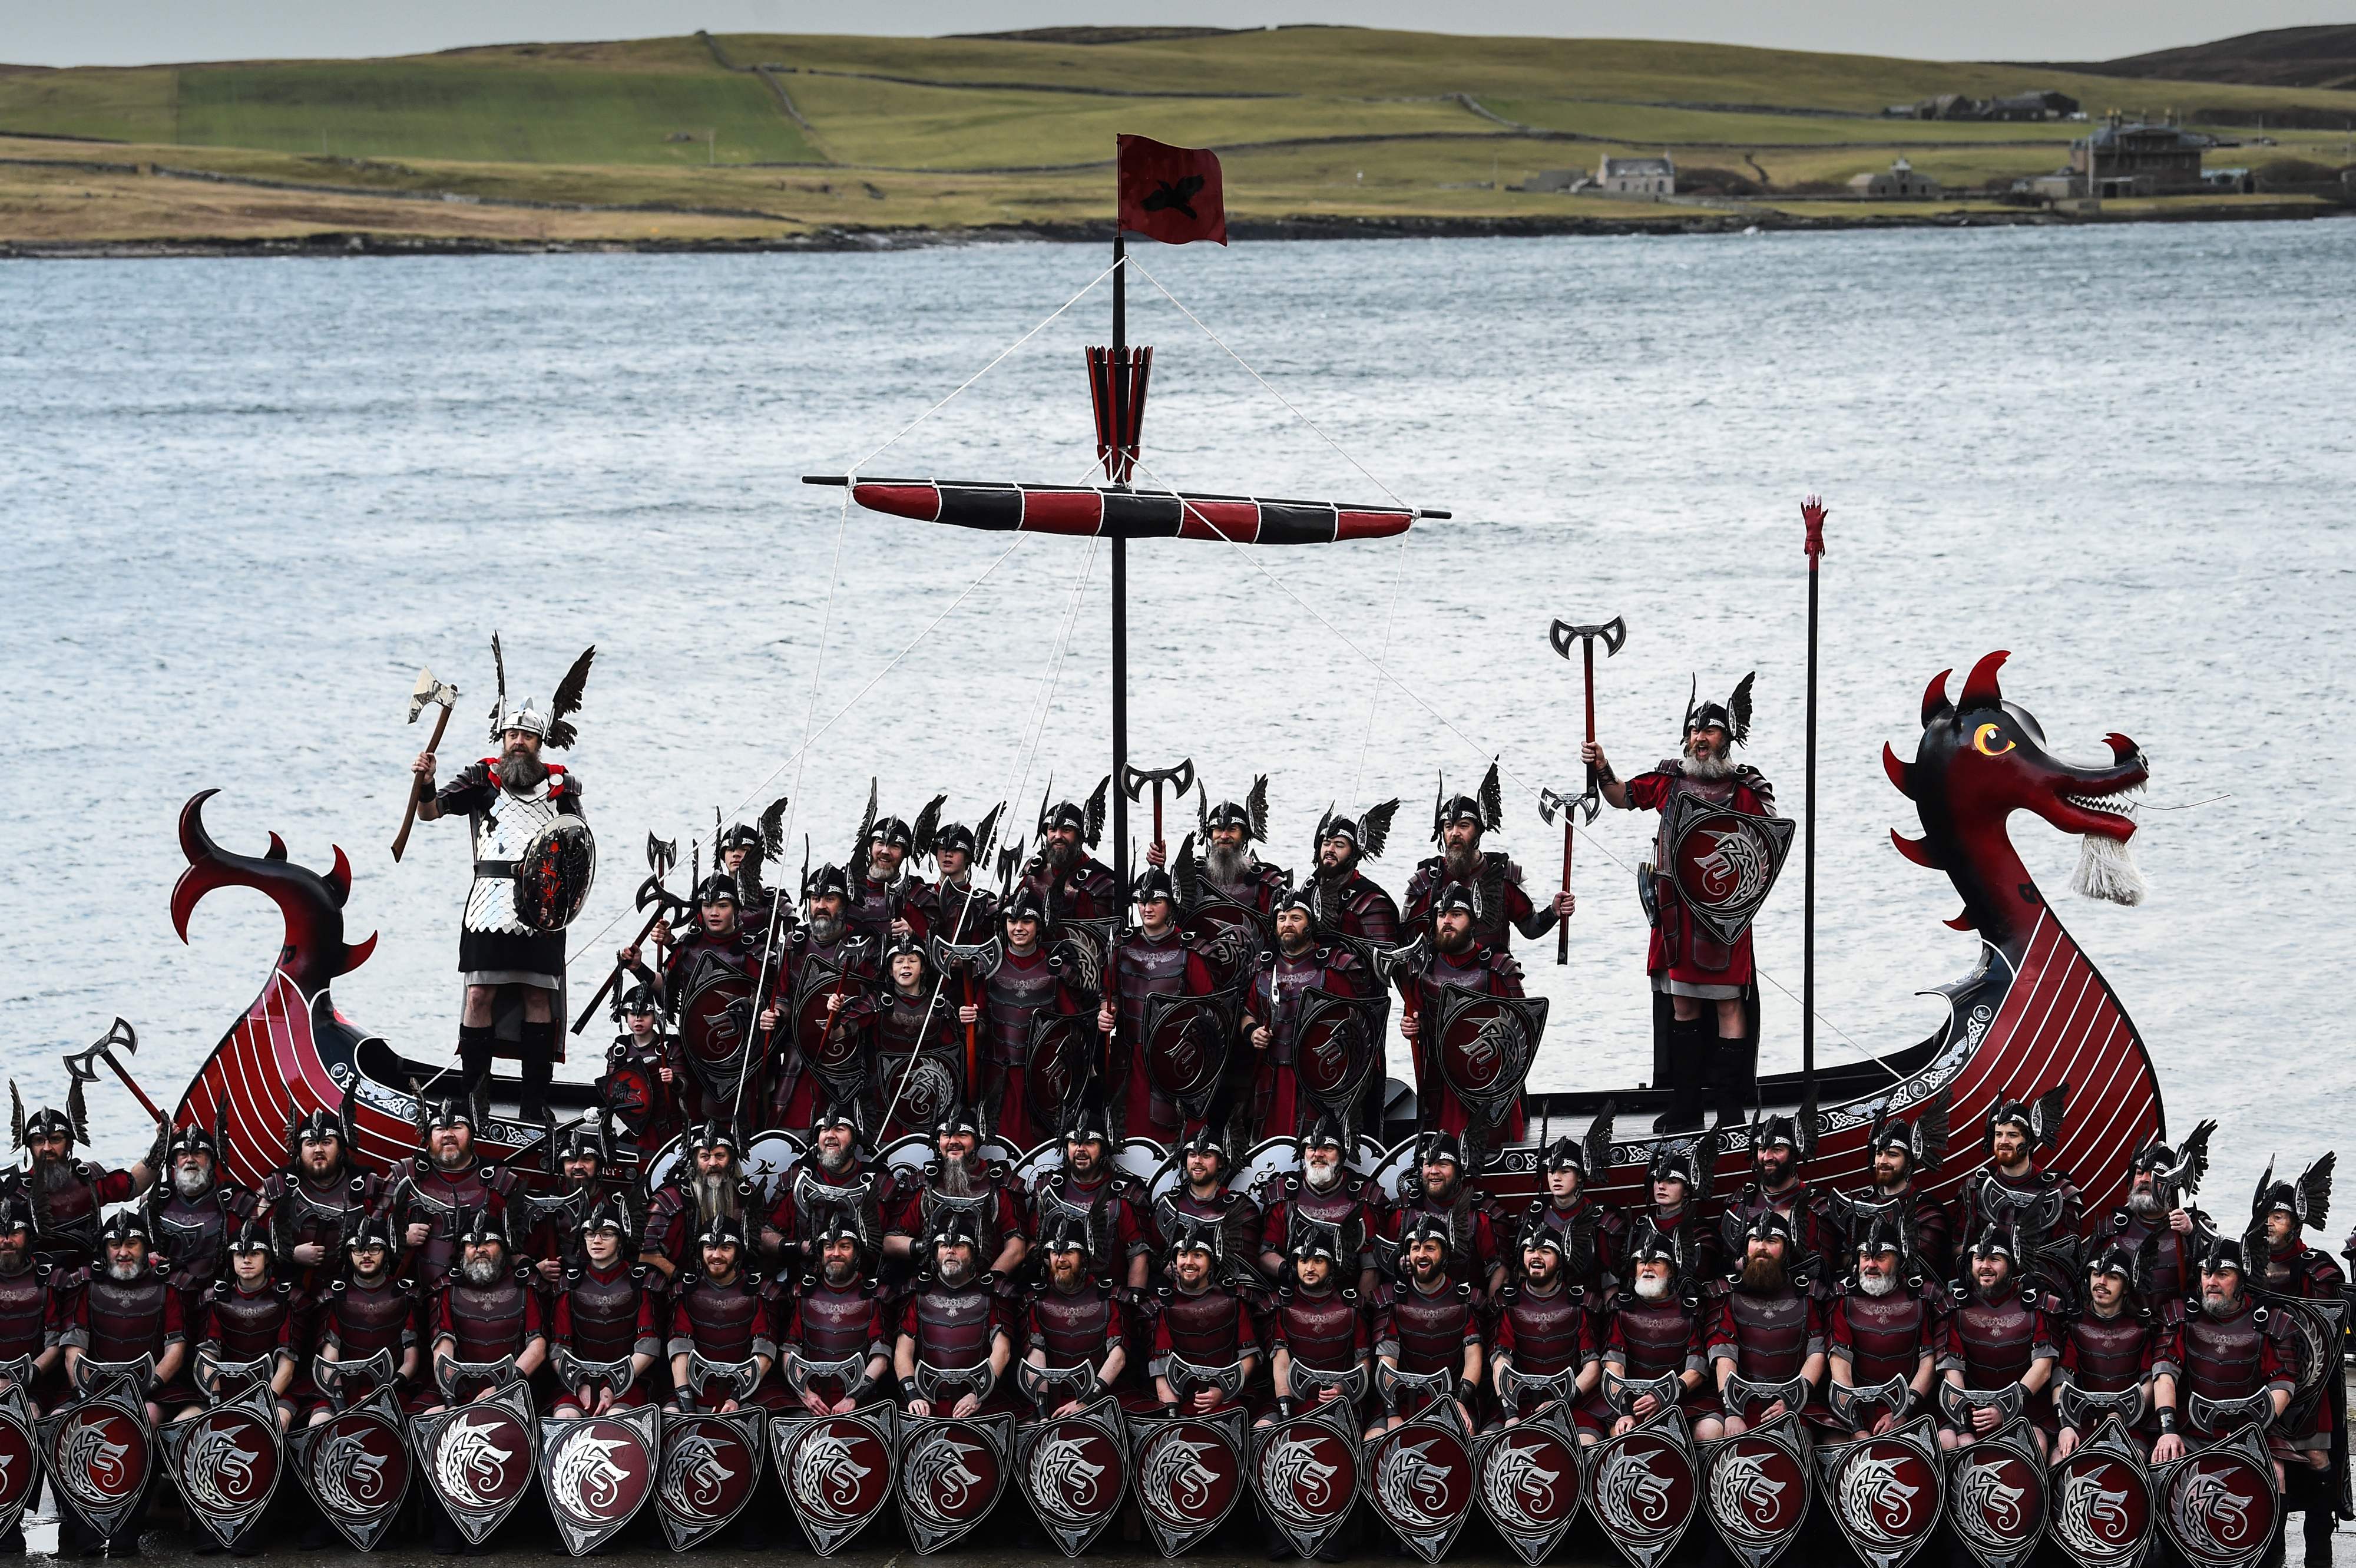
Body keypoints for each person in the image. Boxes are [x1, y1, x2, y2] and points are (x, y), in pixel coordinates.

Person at [410, 644, 595, 1119]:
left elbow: (579, 852)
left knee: (538, 997)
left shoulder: (562, 790)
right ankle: (475, 1100)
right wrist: (426, 780)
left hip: (543, 908)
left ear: (540, 743)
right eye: (512, 733)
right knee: (479, 994)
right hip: (488, 905)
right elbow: (428, 813)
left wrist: (564, 900)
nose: (518, 741)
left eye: (527, 737)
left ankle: (534, 1105)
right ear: (502, 736)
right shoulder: (481, 780)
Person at [1585, 680, 1773, 1129]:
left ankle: (1729, 1108)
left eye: (1709, 732)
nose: (1699, 739)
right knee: (1682, 1004)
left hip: (1723, 917)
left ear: (1726, 738)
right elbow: (1620, 797)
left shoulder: (1745, 787)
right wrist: (1603, 766)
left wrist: (1736, 897)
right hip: (1675, 915)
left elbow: (1769, 845)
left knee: (1730, 1004)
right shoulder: (1669, 780)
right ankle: (1686, 1107)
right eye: (1693, 731)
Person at [57, 1208, 189, 1556]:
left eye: (131, 1244)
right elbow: (74, 1347)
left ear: (145, 1249)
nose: (123, 1252)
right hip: (94, 1387)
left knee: (144, 1420)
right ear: (104, 1251)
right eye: (115, 1245)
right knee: (58, 1424)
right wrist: (81, 1390)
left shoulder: (168, 1289)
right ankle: (79, 1529)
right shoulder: (88, 1289)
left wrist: (150, 1386)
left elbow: (175, 1349)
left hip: (152, 1391)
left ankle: (128, 1529)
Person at [2245, 1154, 2345, 1566]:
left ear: (2296, 1222)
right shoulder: (2246, 1263)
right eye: (2267, 1214)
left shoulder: (2317, 1267)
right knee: (2271, 1465)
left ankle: (2319, 1553)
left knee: (2319, 1460)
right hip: (2260, 1381)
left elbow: (2328, 1322)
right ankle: (2273, 1556)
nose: (2271, 1222)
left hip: (2311, 1384)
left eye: (2281, 1216)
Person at [1392, 881, 1534, 1144]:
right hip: (1440, 1083)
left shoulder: (1497, 966)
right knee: (1442, 1151)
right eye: (1442, 915)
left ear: (1473, 918)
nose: (1447, 921)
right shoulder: (1423, 969)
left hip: (1489, 1084)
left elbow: (1523, 1025)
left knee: (1492, 1153)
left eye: (1456, 915)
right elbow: (1417, 1016)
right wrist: (1412, 1027)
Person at [623, 875, 767, 1127]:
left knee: (739, 1123)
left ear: (736, 908)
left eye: (722, 905)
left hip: (739, 1059)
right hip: (693, 1053)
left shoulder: (752, 951)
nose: (714, 913)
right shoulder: (688, 948)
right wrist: (638, 968)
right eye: (707, 905)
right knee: (695, 1122)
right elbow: (667, 993)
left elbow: (767, 1001)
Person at [1241, 888, 1378, 1142]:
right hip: (1271, 1079)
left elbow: (1360, 1025)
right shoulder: (1262, 967)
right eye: (1282, 918)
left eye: (1295, 918)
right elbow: (1248, 1013)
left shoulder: (1335, 968)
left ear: (1310, 922)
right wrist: (1252, 1033)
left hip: (1319, 1079)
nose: (1287, 924)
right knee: (1267, 1147)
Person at [1101, 867, 1223, 1143]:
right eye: (1142, 902)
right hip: (1129, 1060)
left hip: (1174, 1062)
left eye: (1156, 901)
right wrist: (1105, 1014)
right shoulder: (1120, 947)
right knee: (1127, 1139)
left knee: (1174, 1138)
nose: (1147, 908)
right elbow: (1109, 995)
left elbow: (1210, 1012)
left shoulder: (1190, 952)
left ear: (1170, 904)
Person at [1402, 764, 1573, 958]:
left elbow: (1530, 929)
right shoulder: (1428, 880)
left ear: (1478, 831)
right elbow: (1407, 944)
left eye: (1464, 826)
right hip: (1440, 982)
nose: (1455, 833)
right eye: (1449, 826)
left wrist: (1553, 912)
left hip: (1490, 978)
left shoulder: (1502, 875)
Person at [970, 885, 1084, 1152]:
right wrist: (973, 1024)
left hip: (1042, 1082)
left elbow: (1073, 1028)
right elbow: (981, 1025)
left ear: (1039, 924)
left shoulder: (1057, 970)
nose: (1018, 927)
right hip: (998, 1078)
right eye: (1012, 920)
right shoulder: (989, 968)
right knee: (996, 1150)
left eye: (1026, 921)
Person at [4, 1076, 155, 1266]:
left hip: (89, 1277)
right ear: (29, 1146)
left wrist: (162, 1142)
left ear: (69, 1144)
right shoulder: (13, 1191)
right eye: (39, 1141)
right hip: (37, 1282)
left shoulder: (88, 1179)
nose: (47, 1148)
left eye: (55, 1139)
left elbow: (135, 1184)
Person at [1937, 1226, 2060, 1457]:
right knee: (1949, 1444)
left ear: (2012, 1263)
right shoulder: (1954, 1306)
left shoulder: (2039, 1305)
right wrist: (1964, 1424)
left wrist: (2005, 1408)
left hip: (2026, 1409)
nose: (1985, 1266)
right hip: (1970, 1410)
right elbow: (1952, 1369)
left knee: (2034, 1444)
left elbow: (2043, 1369)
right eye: (1979, 1258)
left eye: (1995, 1259)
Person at [772, 865, 878, 1131]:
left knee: (846, 1129)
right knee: (789, 1127)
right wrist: (775, 1014)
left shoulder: (863, 944)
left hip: (848, 1055)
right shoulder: (793, 944)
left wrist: (848, 1021)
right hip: (799, 1053)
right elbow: (783, 995)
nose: (820, 906)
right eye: (815, 899)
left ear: (843, 904)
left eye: (829, 899)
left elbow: (879, 997)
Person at [1702, 1210, 1824, 1440]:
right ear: (1746, 1247)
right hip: (1737, 1399)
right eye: (1755, 1240)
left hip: (1793, 1401)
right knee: (1707, 1432)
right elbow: (1724, 1352)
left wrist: (1792, 1401)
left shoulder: (1807, 1294)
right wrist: (1732, 1411)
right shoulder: (1727, 1293)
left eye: (1771, 1241)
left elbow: (1817, 1353)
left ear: (1786, 1249)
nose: (1762, 1247)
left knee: (1798, 1440)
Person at [1259, 1222, 1374, 1457]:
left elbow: (1363, 1361)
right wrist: (1285, 1410)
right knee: (1261, 1433)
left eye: (1318, 1261)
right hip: (1291, 1400)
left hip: (1344, 1400)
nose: (1309, 1268)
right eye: (1303, 1261)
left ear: (1332, 1265)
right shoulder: (1281, 1306)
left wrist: (1343, 1389)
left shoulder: (1352, 1307)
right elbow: (1280, 1362)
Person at [1823, 1213, 1943, 1440]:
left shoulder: (1922, 1298)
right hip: (1855, 1410)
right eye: (1866, 1257)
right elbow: (1840, 1367)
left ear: (1898, 1260)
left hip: (1912, 1408)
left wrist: (1903, 1414)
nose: (1871, 1265)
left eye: (1881, 1257)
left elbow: (1928, 1362)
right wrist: (1856, 1426)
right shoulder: (1842, 1298)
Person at [1951, 1091, 2082, 1298]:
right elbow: (1959, 1245)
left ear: (2029, 1142)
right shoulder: (1976, 1187)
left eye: (2012, 1135)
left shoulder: (2058, 1191)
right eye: (1998, 1134)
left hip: (2039, 1299)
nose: (2003, 1141)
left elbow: (2066, 1258)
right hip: (1984, 1294)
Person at [2052, 1235, 2169, 1460]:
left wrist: (2121, 1414)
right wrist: (2066, 1425)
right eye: (2096, 1274)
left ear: (2126, 1287)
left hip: (2130, 1425)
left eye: (2112, 1277)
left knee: (2132, 1463)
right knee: (2060, 1461)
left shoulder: (2143, 1328)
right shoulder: (2075, 1324)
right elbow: (2062, 1377)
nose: (2101, 1282)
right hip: (2082, 1422)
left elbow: (2149, 1381)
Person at [389, 1090, 518, 1291]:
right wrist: (399, 1236)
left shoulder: (499, 1181)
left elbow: (518, 1241)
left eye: (457, 1127)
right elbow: (369, 1231)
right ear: (429, 1139)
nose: (448, 1134)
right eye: (440, 1128)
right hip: (416, 1292)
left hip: (483, 1295)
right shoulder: (407, 1175)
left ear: (472, 1135)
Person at [1591, 1223, 1714, 1437]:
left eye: (1656, 1262)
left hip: (1681, 1400)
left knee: (1708, 1430)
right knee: (1621, 1433)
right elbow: (1614, 1368)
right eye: (1641, 1262)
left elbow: (1697, 1368)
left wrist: (1663, 1395)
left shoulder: (1690, 1310)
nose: (1647, 1268)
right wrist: (1625, 1411)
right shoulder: (1621, 1309)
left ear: (1671, 1269)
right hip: (1631, 1403)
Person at [884, 1102, 1029, 1282]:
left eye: (963, 1135)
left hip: (987, 1287)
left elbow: (1016, 1248)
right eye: (946, 1135)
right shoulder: (923, 1183)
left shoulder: (1001, 1184)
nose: (953, 1141)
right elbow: (890, 1241)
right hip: (929, 1287)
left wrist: (989, 1283)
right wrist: (924, 1247)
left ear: (977, 1140)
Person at [257, 1097, 385, 1295]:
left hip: (352, 1295)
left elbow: (388, 1236)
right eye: (310, 1143)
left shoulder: (367, 1187)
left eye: (326, 1142)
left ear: (341, 1148)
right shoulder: (279, 1188)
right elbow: (249, 1241)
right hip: (291, 1294)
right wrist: (290, 1254)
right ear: (299, 1151)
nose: (318, 1149)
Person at [546, 1198, 661, 1417]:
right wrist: (580, 1386)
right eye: (590, 1234)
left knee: (614, 1420)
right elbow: (559, 1347)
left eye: (606, 1234)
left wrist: (612, 1387)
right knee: (564, 1418)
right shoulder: (570, 1284)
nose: (596, 1240)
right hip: (579, 1383)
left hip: (628, 1383)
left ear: (621, 1240)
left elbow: (648, 1345)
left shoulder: (641, 1281)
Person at [1030, 1091, 1154, 1291]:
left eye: (1089, 1143)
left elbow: (1138, 1256)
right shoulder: (1049, 1189)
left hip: (1108, 1300)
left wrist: (1133, 1301)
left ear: (1103, 1148)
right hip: (1056, 1298)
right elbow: (1033, 1246)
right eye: (1074, 1143)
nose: (1080, 1149)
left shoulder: (1124, 1195)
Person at [1258, 1113, 1389, 1299]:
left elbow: (1372, 1267)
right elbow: (1265, 1253)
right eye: (1312, 1148)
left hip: (1346, 1302)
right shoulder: (1284, 1194)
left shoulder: (1364, 1197)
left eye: (1327, 1148)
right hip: (1292, 1300)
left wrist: (1357, 1310)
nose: (1318, 1154)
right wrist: (1297, 1274)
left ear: (1342, 1155)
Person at [1824, 1094, 1953, 1282]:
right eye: (1879, 1154)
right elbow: (1844, 1253)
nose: (1883, 1162)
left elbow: (1921, 1270)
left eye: (1892, 1155)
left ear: (1909, 1161)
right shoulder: (1862, 1203)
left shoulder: (1927, 1213)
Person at [895, 1216, 1014, 1418]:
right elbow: (902, 1352)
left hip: (979, 1402)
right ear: (935, 1253)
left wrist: (977, 1394)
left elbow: (1003, 1351)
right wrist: (913, 1395)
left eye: (959, 1245)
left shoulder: (993, 1293)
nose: (950, 1251)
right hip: (925, 1401)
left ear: (973, 1253)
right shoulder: (917, 1292)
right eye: (943, 1245)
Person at [425, 1210, 546, 1409]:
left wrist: (501, 1389)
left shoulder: (527, 1285)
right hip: (458, 1388)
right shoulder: (447, 1287)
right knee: (430, 1416)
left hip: (514, 1387)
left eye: (488, 1243)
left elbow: (537, 1347)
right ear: (463, 1250)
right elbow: (443, 1348)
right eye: (472, 1244)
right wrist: (450, 1400)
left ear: (503, 1247)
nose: (480, 1249)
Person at [307, 1212, 422, 1421]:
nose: (366, 1255)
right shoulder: (335, 1296)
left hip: (393, 1390)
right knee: (319, 1422)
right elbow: (330, 1359)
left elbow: (411, 1360)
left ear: (386, 1251)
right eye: (358, 1250)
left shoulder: (405, 1294)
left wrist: (384, 1393)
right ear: (349, 1254)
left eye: (374, 1249)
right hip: (340, 1389)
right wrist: (340, 1404)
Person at [1374, 1213, 1481, 1433]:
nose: (1421, 1255)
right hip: (1399, 1399)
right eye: (1415, 1248)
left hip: (1452, 1398)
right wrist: (1392, 1413)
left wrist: (1460, 1402)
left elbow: (1473, 1356)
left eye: (1430, 1248)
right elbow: (1387, 1361)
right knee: (1376, 1438)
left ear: (1444, 1254)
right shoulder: (1393, 1299)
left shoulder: (1465, 1299)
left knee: (1465, 1433)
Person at [667, 1214, 786, 1411]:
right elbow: (679, 1346)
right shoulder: (686, 1291)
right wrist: (686, 1403)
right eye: (710, 1248)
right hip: (697, 1388)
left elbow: (765, 1350)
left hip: (748, 1387)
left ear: (738, 1252)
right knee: (671, 1418)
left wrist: (737, 1397)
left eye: (725, 1248)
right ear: (701, 1251)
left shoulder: (759, 1291)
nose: (716, 1255)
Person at [1491, 1226, 1599, 1440]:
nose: (1536, 1256)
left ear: (1560, 1260)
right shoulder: (1509, 1304)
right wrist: (1510, 1413)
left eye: (1545, 1251)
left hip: (1571, 1405)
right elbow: (1501, 1362)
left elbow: (1593, 1367)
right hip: (1519, 1403)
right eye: (1530, 1250)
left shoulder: (1581, 1305)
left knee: (1586, 1445)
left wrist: (1562, 1402)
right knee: (1491, 1442)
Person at [193, 1220, 303, 1432]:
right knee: (193, 1422)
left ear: (267, 1257)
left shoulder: (288, 1298)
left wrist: (263, 1403)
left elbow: (287, 1367)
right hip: (224, 1389)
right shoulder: (216, 1298)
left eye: (255, 1254)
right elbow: (208, 1358)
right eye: (239, 1255)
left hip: (276, 1391)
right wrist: (215, 1401)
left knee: (277, 1422)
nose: (246, 1260)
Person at [777, 1215, 891, 1415]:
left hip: (861, 1404)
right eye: (829, 1247)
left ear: (856, 1253)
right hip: (811, 1403)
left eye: (844, 1246)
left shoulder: (875, 1295)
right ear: (820, 1254)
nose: (835, 1253)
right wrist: (806, 1394)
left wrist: (853, 1398)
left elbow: (881, 1359)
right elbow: (790, 1352)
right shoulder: (803, 1294)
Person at [1149, 1215, 1262, 1415]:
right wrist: (1172, 1412)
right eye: (1183, 1255)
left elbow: (1249, 1356)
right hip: (1182, 1400)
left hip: (1230, 1396)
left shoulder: (1233, 1300)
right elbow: (1160, 1367)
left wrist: (1223, 1392)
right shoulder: (1163, 1305)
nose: (1189, 1262)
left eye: (1198, 1255)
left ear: (1212, 1260)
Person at [1021, 1216, 1136, 1411]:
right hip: (1052, 1402)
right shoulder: (1035, 1300)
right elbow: (1036, 1356)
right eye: (1055, 1253)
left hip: (1101, 1400)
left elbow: (1118, 1356)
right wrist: (1043, 1413)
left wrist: (1086, 1402)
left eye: (1069, 1252)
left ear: (1084, 1256)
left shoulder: (1110, 1298)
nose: (1061, 1259)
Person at [2097, 1124, 2217, 1309]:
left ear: (2172, 1183)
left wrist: (2192, 1234)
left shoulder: (2196, 1225)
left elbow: (2220, 1278)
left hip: (2175, 1328)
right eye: (2139, 1173)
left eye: (2155, 1174)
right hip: (2126, 1326)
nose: (2145, 1179)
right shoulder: (2111, 1228)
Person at [762, 1096, 883, 1271]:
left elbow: (888, 1241)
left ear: (854, 1139)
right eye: (824, 1129)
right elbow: (765, 1235)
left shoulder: (877, 1183)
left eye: (839, 1129)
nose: (830, 1136)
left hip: (861, 1284)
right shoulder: (797, 1180)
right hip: (802, 1282)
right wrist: (798, 1247)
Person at [147, 1110, 259, 1298]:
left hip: (219, 1299)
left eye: (198, 1153)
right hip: (164, 1299)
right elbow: (130, 1252)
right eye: (183, 1154)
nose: (190, 1160)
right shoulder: (157, 1201)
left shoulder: (238, 1204)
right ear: (174, 1162)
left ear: (212, 1161)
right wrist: (145, 1258)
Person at [869, 934, 967, 1142]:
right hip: (885, 1097)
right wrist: (836, 1014)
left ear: (923, 968)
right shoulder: (877, 1002)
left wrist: (972, 1023)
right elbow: (842, 1032)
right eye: (899, 961)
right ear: (890, 970)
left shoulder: (940, 1007)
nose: (906, 966)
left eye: (913, 961)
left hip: (928, 1099)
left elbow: (953, 1056)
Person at [1388, 1131, 1505, 1296]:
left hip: (1465, 1309)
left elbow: (1498, 1270)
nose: (1433, 1171)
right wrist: (1399, 1264)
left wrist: (1491, 1310)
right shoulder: (1404, 1211)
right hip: (1411, 1307)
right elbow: (1386, 1263)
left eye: (1443, 1164)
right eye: (1428, 1164)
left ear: (1458, 1170)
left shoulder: (1481, 1215)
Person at [1518, 1120, 1626, 1294]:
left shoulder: (1602, 1220)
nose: (1556, 1178)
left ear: (1580, 1176)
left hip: (1587, 1306)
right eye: (1551, 1171)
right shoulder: (1534, 1215)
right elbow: (1521, 1273)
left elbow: (1610, 1281)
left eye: (1565, 1171)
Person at [1153, 1123, 1265, 1288]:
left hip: (1223, 1298)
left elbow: (1245, 1271)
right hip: (1172, 1295)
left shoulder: (1241, 1209)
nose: (1197, 1161)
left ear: (1220, 1162)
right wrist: (1164, 1267)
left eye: (1206, 1155)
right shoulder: (1169, 1204)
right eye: (1192, 1155)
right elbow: (1152, 1254)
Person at [642, 1121, 755, 1281]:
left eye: (720, 1156)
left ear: (731, 1160)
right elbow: (648, 1256)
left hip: (736, 1287)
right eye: (705, 1157)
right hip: (681, 1290)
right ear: (694, 1161)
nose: (713, 1163)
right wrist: (684, 1279)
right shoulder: (670, 1199)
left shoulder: (746, 1196)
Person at [1718, 1110, 1831, 1262]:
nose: (1767, 1157)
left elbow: (1821, 1267)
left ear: (1793, 1155)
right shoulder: (1739, 1203)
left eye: (1777, 1150)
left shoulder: (1816, 1207)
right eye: (1762, 1149)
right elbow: (1722, 1262)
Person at [1305, 802, 1403, 958]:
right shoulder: (1309, 888)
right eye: (1326, 843)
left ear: (1353, 855)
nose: (1330, 850)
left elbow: (1384, 960)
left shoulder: (1371, 901)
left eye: (1339, 845)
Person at [1626, 1140, 1725, 1284]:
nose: (1661, 1186)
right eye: (1657, 1180)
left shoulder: (1701, 1233)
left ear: (1686, 1191)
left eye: (1672, 1182)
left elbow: (1700, 1281)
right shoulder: (1641, 1227)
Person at [601, 980, 682, 1150]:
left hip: (668, 1125)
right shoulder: (619, 1050)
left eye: (645, 1014)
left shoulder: (670, 1048)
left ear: (656, 1017)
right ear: (625, 1016)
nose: (638, 1019)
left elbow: (686, 1089)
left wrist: (674, 1080)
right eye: (632, 1014)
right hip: (634, 1124)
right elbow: (610, 1090)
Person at [907, 811, 1004, 950]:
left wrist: (966, 961)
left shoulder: (984, 905)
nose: (948, 854)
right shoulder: (916, 899)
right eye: (942, 848)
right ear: (935, 854)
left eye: (956, 850)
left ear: (968, 857)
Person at [1023, 783, 1120, 922]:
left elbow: (1102, 936)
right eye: (1052, 829)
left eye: (1066, 830)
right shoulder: (1033, 870)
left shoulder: (1098, 883)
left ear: (1079, 837)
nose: (1058, 836)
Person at [848, 807, 925, 947]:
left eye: (895, 846)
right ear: (870, 847)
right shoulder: (846, 888)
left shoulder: (914, 896)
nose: (885, 851)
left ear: (904, 854)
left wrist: (912, 936)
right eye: (880, 843)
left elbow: (929, 952)